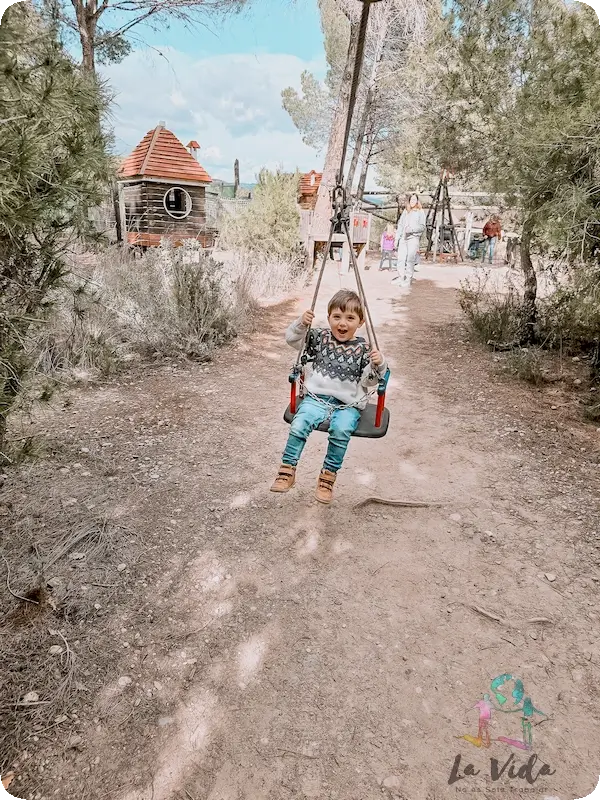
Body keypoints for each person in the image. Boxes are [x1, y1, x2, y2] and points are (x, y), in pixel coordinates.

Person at [270, 289, 387, 504]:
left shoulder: (364, 349)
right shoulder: (320, 338)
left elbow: (370, 381)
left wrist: (378, 364)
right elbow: (291, 339)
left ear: (360, 322)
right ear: (329, 317)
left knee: (341, 430)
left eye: (350, 318)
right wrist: (301, 324)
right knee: (299, 424)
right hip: (317, 397)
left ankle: (327, 478)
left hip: (348, 404)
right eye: (337, 317)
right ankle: (287, 470)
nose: (342, 323)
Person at [392, 193, 426, 287]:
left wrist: (412, 229)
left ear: (417, 201)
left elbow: (422, 227)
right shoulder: (405, 212)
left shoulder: (420, 212)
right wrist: (397, 239)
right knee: (401, 258)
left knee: (410, 259)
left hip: (413, 238)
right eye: (411, 200)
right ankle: (401, 276)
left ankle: (408, 279)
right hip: (403, 238)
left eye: (414, 200)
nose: (412, 202)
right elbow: (400, 225)